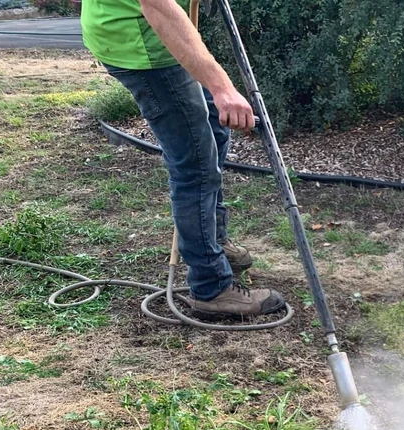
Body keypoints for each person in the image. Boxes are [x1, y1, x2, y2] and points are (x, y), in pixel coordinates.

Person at [80, 0, 285, 317]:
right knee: (195, 167)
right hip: (142, 43)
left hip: (153, 31)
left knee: (215, 128)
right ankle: (211, 287)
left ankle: (212, 241)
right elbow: (158, 7)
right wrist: (222, 87)